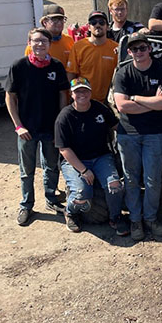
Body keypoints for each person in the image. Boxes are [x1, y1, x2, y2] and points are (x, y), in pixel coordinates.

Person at [5, 27, 70, 225]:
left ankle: (51, 199)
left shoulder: (56, 67)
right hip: (27, 130)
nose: (40, 44)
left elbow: (63, 95)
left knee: (51, 166)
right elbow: (10, 96)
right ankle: (27, 205)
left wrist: (60, 123)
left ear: (49, 45)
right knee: (27, 170)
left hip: (50, 128)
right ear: (29, 43)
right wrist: (18, 126)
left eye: (44, 41)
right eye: (36, 41)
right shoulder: (19, 66)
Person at [113, 33, 162, 241]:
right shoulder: (122, 73)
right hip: (128, 134)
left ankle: (150, 219)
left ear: (149, 49)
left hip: (154, 134)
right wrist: (152, 102)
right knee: (130, 179)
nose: (139, 52)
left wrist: (137, 98)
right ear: (129, 52)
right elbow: (122, 106)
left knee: (153, 180)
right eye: (134, 49)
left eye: (142, 48)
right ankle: (135, 220)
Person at [55, 77, 128, 235]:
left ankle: (115, 218)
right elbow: (64, 149)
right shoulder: (65, 117)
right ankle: (70, 212)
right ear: (71, 94)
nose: (82, 94)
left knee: (114, 185)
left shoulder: (99, 108)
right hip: (75, 161)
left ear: (90, 91)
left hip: (101, 157)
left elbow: (117, 126)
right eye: (78, 91)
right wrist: (83, 170)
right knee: (82, 193)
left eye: (85, 90)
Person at [66, 10, 119, 103]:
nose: (97, 25)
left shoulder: (116, 48)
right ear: (89, 27)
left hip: (108, 101)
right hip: (84, 100)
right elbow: (71, 74)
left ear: (107, 27)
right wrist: (72, 96)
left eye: (102, 22)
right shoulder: (78, 47)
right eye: (93, 23)